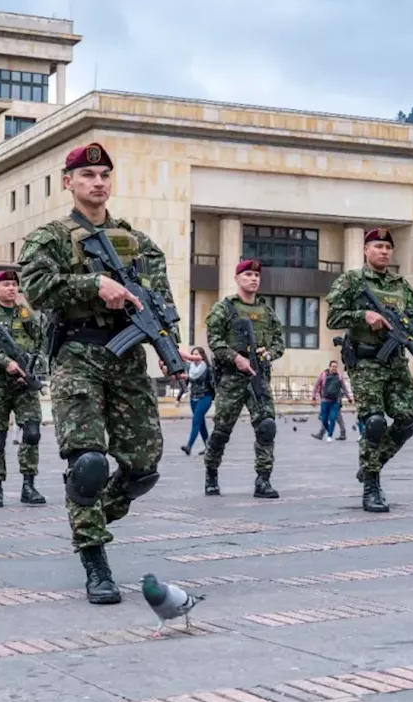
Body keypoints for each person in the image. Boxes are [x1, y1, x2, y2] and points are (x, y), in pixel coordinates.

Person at [18, 142, 195, 604]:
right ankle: (94, 556)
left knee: (144, 467)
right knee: (90, 462)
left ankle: (88, 508)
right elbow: (35, 289)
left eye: (104, 175)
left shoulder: (137, 242)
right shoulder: (50, 237)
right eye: (88, 175)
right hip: (77, 354)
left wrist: (169, 345)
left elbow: (160, 298)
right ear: (69, 183)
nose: (97, 182)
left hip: (128, 358)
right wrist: (94, 283)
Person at [326, 228, 413, 513]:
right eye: (378, 246)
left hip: (396, 360)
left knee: (409, 419)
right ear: (365, 250)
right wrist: (364, 316)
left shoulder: (401, 286)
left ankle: (372, 464)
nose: (384, 251)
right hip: (365, 362)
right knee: (373, 423)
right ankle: (371, 486)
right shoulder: (351, 281)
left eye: (388, 247)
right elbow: (332, 317)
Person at [203, 259, 285, 498]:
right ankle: (211, 472)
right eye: (248, 274)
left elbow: (279, 341)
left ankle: (263, 479)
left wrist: (268, 353)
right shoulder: (225, 308)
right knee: (221, 431)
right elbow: (215, 341)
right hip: (232, 377)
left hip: (258, 376)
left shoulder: (267, 312)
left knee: (266, 426)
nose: (253, 279)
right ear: (237, 278)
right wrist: (236, 358)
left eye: (257, 275)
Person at [0, 269, 47, 509]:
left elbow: (41, 344)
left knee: (32, 432)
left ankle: (29, 485)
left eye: (14, 285)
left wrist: (33, 371)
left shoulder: (28, 315)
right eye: (6, 284)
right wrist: (6, 363)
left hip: (24, 382)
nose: (11, 288)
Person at [180, 347, 214, 456]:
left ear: (201, 356)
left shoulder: (207, 368)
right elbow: (186, 383)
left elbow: (212, 382)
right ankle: (209, 447)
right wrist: (179, 397)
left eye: (197, 354)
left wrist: (216, 396)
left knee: (196, 421)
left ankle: (189, 446)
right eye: (193, 354)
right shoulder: (190, 367)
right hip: (193, 397)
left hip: (205, 396)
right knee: (201, 423)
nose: (195, 357)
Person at [311, 361, 352, 442]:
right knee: (329, 417)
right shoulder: (323, 375)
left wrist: (349, 398)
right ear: (329, 367)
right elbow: (316, 386)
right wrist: (313, 396)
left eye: (336, 366)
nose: (334, 368)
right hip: (325, 400)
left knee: (337, 417)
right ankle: (326, 433)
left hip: (335, 401)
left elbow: (344, 388)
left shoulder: (339, 376)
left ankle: (324, 433)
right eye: (333, 366)